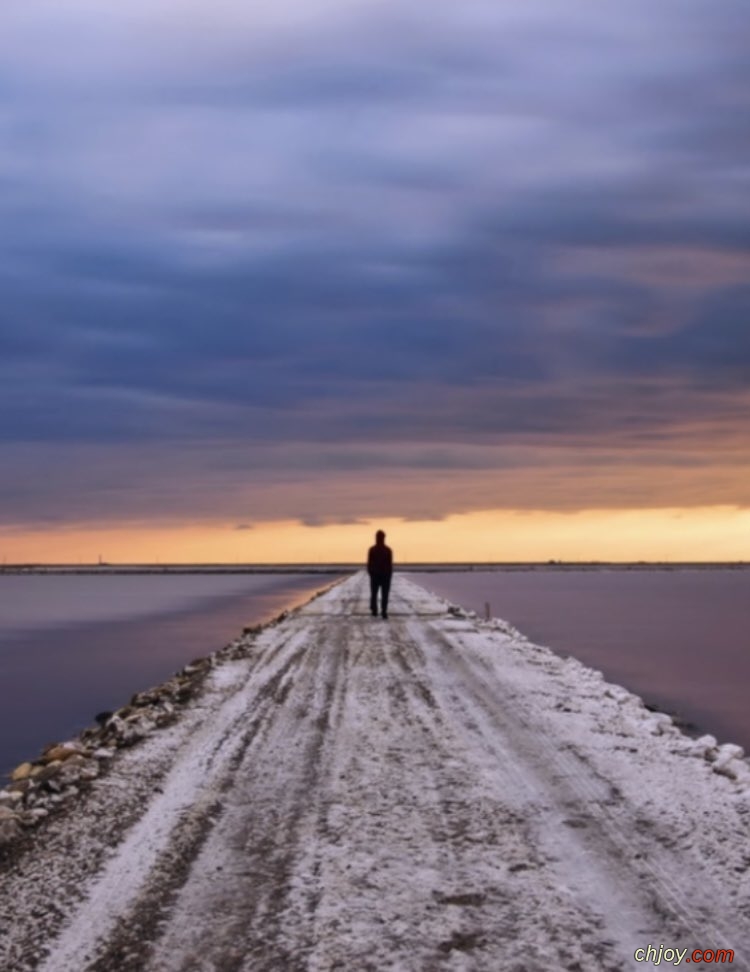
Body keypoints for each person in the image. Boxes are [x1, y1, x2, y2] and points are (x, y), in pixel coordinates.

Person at [367, 529, 393, 619]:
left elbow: (389, 565)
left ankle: (378, 611)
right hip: (380, 575)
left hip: (380, 575)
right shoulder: (386, 550)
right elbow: (369, 563)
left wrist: (371, 572)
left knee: (378, 594)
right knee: (381, 594)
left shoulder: (374, 550)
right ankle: (381, 611)